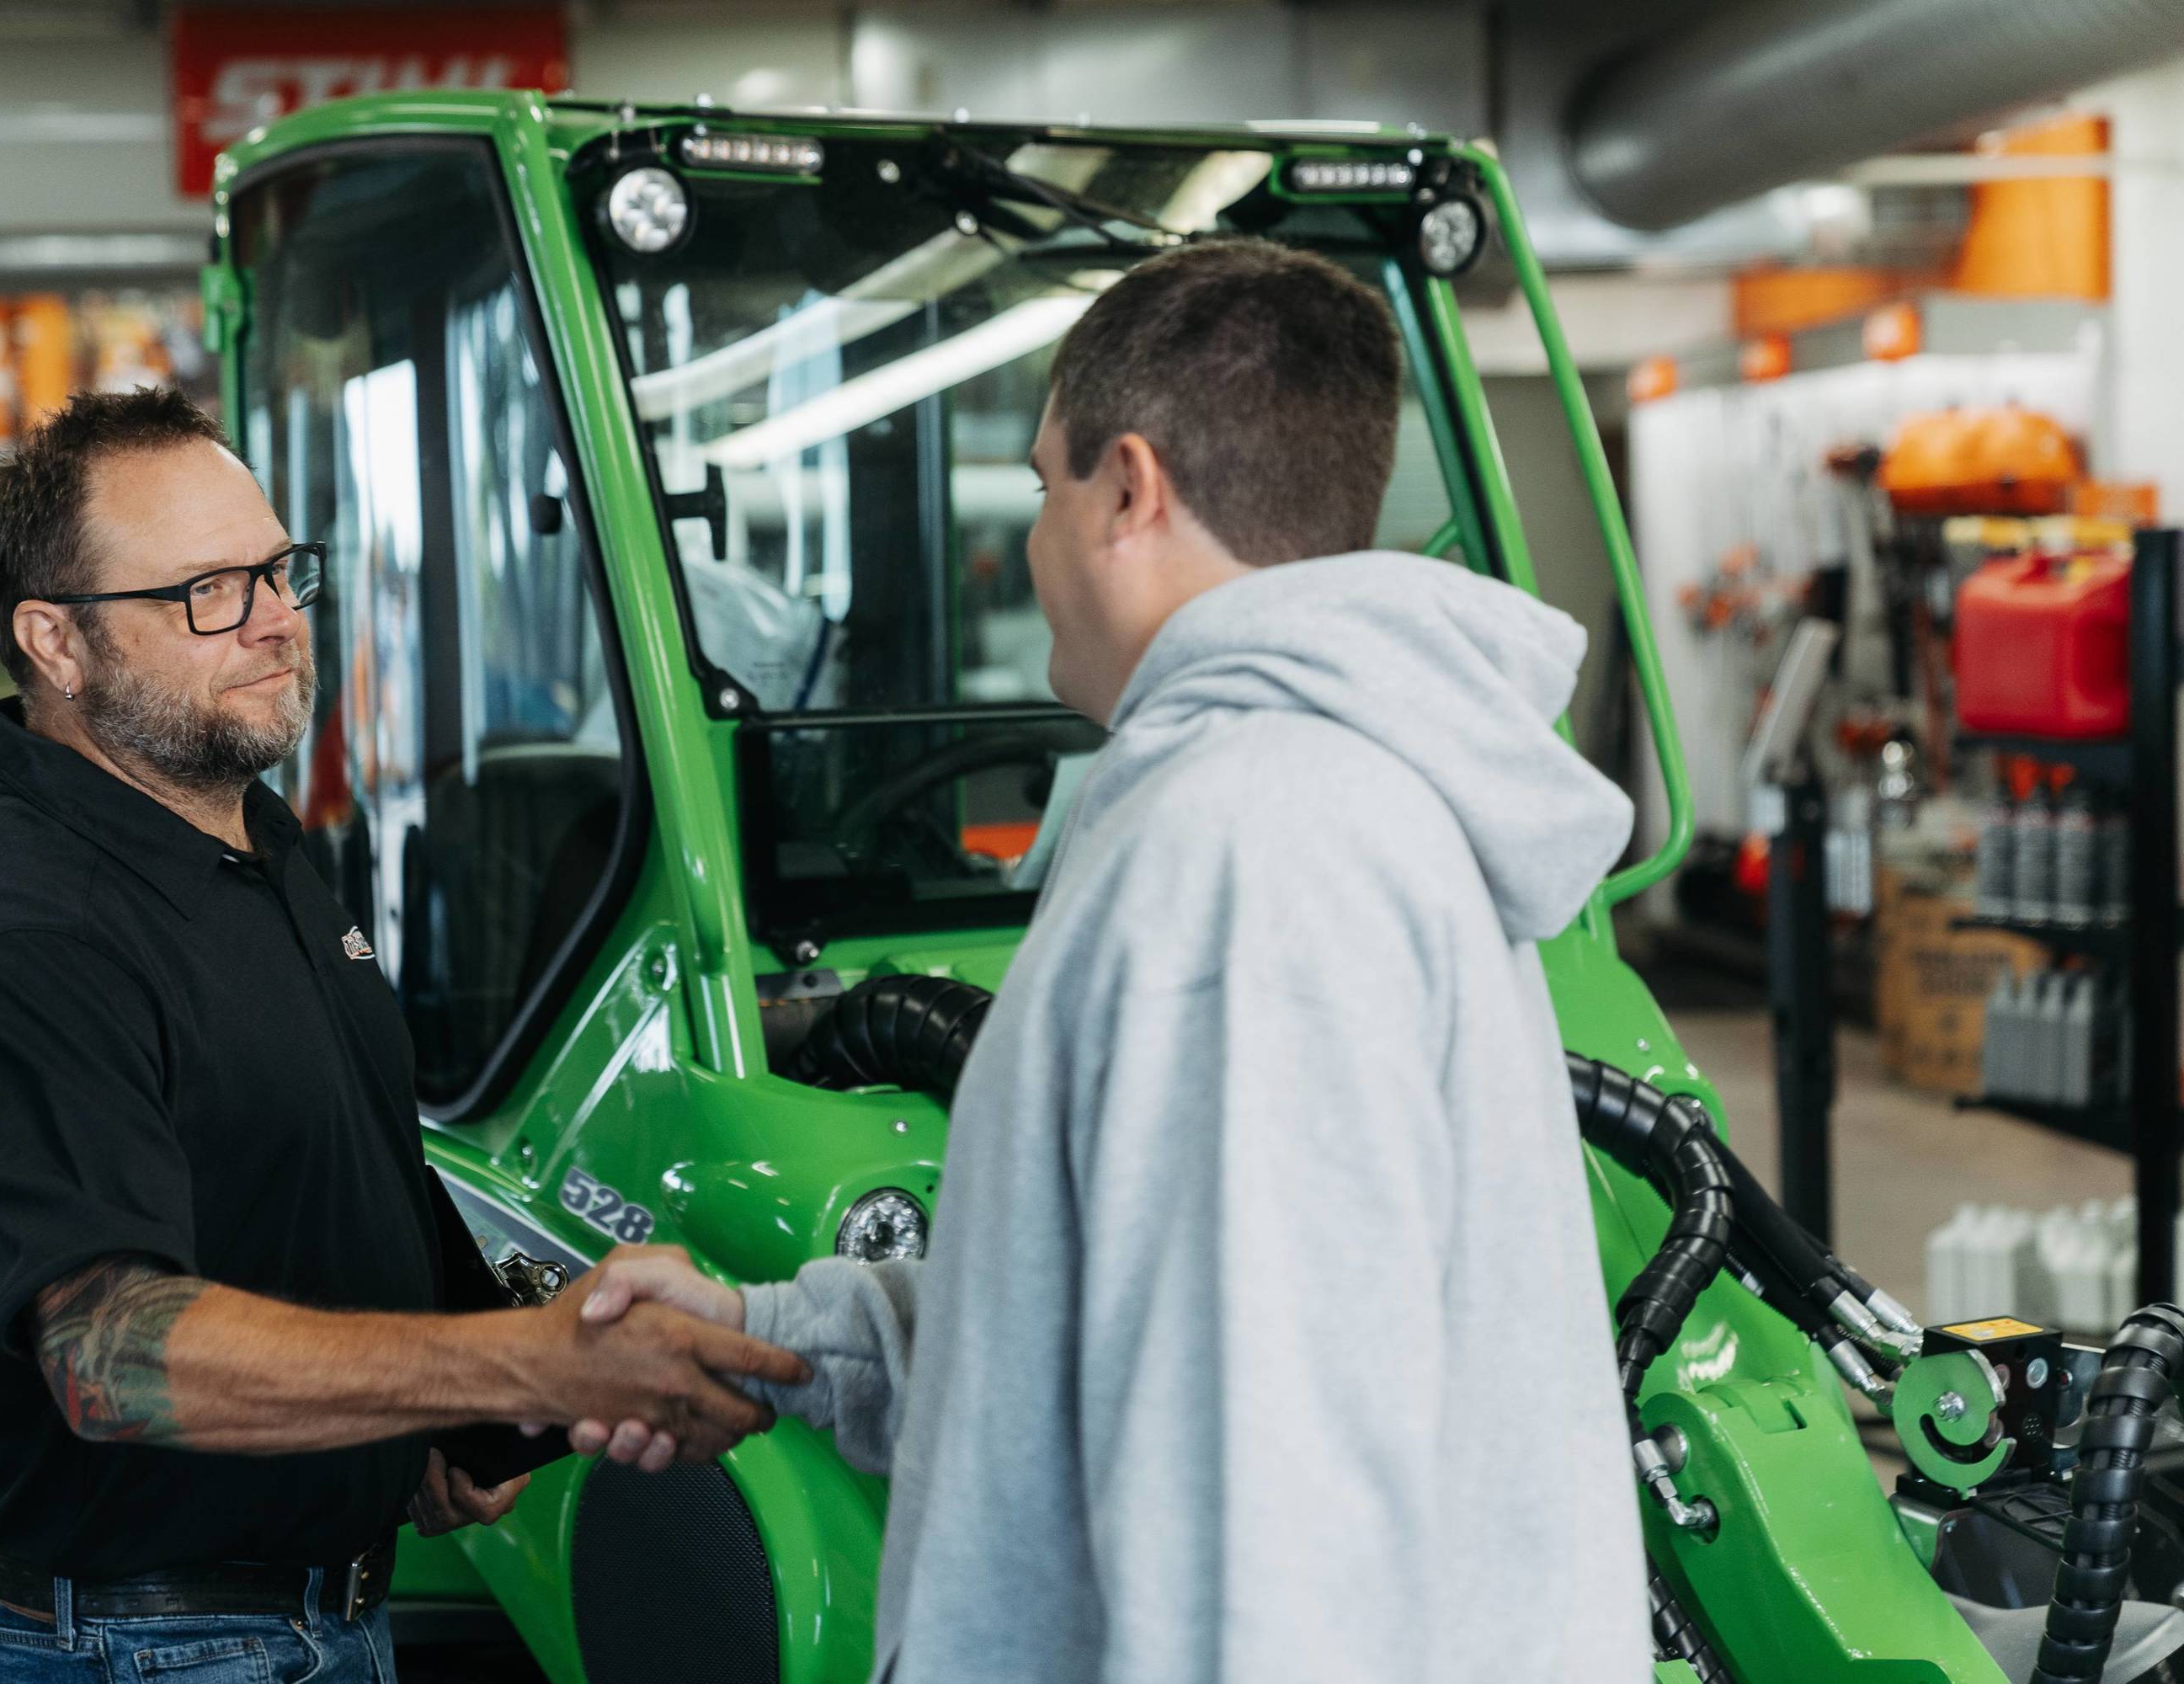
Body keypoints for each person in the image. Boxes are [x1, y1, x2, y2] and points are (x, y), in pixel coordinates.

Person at [574, 237, 1648, 1680]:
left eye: (1041, 487)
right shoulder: (1292, 805)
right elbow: (1100, 1318)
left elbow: (1268, 1497)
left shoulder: (1252, 850)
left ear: (1131, 488)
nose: (1032, 538)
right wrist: (771, 1338)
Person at [0, 387, 807, 1683]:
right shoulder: (34, 934)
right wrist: (528, 1360)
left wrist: (454, 1412)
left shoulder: (244, 842)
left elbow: (317, 1162)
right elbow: (112, 1357)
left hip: (314, 1617)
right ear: (56, 642)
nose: (275, 622)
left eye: (277, 570)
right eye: (208, 590)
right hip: (157, 1646)